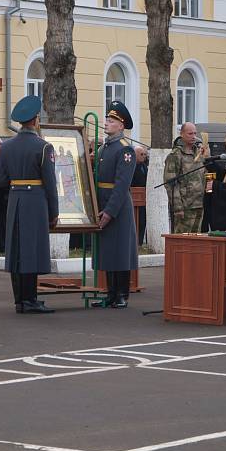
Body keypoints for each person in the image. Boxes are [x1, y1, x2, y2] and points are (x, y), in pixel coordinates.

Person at [0, 95, 59, 314]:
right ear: (36, 120)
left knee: (16, 250)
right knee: (31, 250)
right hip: (35, 201)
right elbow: (50, 183)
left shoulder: (6, 147)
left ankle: (20, 301)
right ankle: (31, 299)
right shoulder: (44, 147)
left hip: (15, 198)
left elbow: (1, 181)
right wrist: (54, 212)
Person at [96, 101, 138, 308]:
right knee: (108, 251)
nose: (106, 123)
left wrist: (109, 212)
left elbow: (121, 185)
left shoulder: (125, 149)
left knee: (120, 251)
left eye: (111, 121)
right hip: (104, 203)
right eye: (107, 119)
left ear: (121, 126)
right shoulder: (105, 148)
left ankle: (122, 294)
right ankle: (110, 293)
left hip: (118, 207)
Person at [163, 122, 209, 234]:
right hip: (184, 206)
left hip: (198, 204)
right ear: (182, 134)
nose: (193, 136)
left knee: (196, 241)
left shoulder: (198, 152)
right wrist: (178, 207)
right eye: (190, 133)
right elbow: (170, 183)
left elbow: (204, 175)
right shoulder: (176, 155)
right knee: (182, 241)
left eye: (195, 133)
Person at [131, 145, 148, 246]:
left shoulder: (144, 165)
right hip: (135, 199)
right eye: (141, 154)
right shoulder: (132, 166)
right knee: (135, 222)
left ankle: (140, 242)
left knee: (142, 222)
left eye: (144, 154)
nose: (143, 156)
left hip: (143, 199)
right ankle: (134, 242)